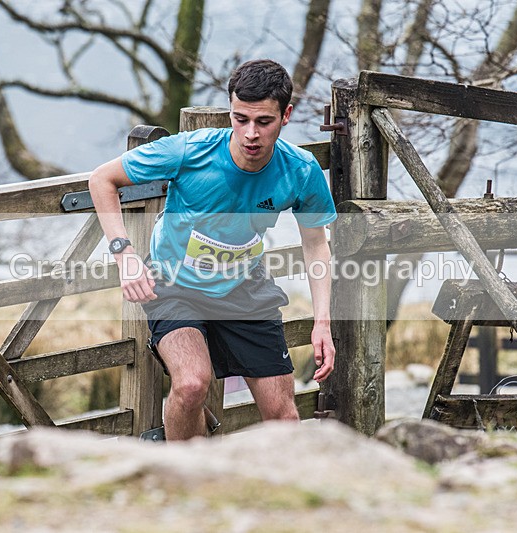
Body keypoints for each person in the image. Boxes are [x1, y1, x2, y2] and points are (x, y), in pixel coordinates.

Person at [88, 59, 337, 440]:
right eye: (240, 119)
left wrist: (322, 322)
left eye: (264, 122)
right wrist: (124, 254)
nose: (250, 133)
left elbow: (316, 245)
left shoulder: (300, 170)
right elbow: (102, 179)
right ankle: (190, 480)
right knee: (190, 386)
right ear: (230, 112)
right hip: (174, 286)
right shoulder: (190, 151)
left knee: (284, 419)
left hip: (244, 289)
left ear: (285, 116)